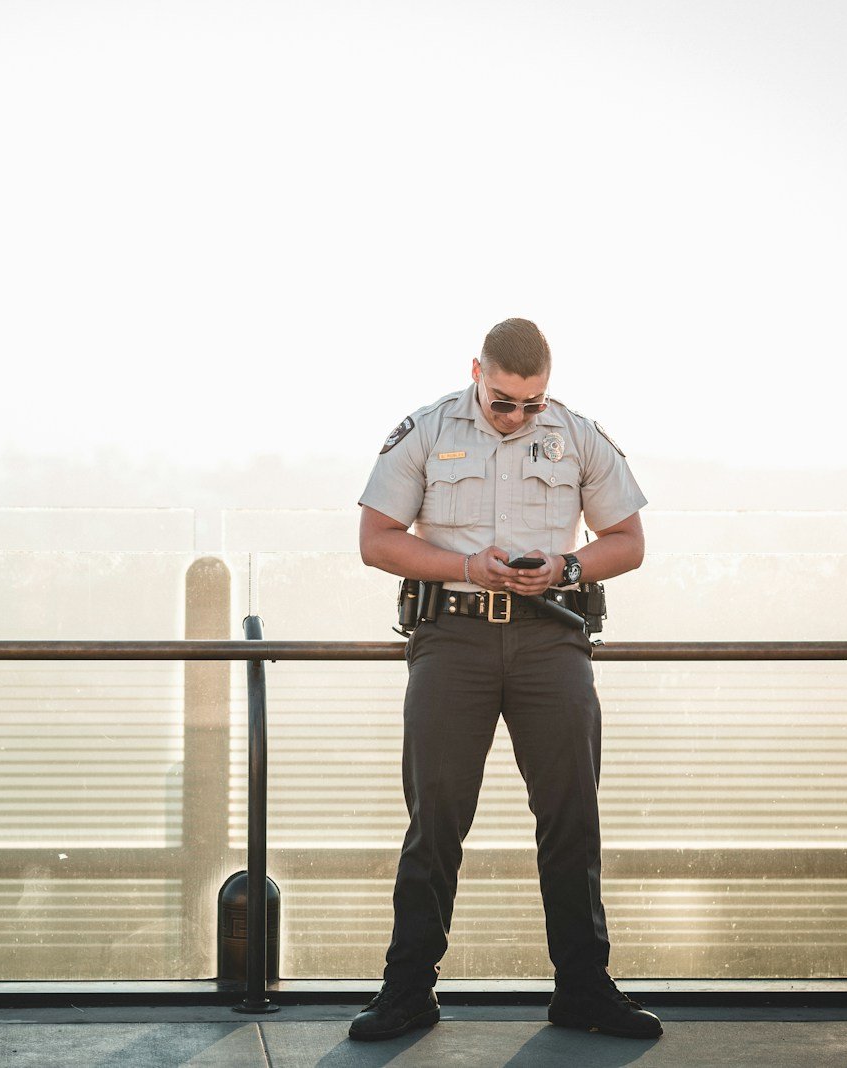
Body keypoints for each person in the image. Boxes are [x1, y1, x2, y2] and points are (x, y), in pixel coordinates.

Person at [347, 317, 660, 1041]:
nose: (518, 415)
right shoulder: (425, 430)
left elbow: (629, 541)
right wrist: (465, 565)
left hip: (552, 639)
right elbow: (375, 540)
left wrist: (568, 566)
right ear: (477, 374)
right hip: (451, 639)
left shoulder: (578, 435)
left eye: (532, 403)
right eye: (503, 401)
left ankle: (583, 989)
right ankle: (406, 992)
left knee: (572, 817)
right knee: (436, 819)